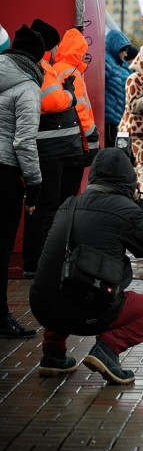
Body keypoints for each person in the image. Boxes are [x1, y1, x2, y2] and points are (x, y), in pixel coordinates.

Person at [29, 148, 143, 383]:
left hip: (43, 307)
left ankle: (53, 353)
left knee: (65, 276)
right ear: (127, 177)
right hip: (90, 310)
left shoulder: (69, 204)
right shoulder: (127, 210)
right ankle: (107, 349)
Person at [22, 19, 82, 278]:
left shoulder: (44, 67)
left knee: (46, 205)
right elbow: (52, 101)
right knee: (46, 206)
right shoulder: (43, 67)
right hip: (50, 150)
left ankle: (38, 260)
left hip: (53, 148)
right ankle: (36, 263)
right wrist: (70, 95)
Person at [0, 25, 45, 338]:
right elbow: (24, 142)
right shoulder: (28, 87)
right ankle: (1, 319)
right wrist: (34, 185)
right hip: (3, 175)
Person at [53, 28, 101, 195]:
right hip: (76, 141)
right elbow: (80, 107)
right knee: (69, 190)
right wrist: (91, 134)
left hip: (60, 141)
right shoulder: (72, 72)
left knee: (56, 192)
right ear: (78, 50)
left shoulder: (56, 68)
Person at [103, 30, 136, 150]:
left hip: (120, 120)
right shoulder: (107, 61)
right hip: (111, 121)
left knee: (121, 154)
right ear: (116, 48)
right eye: (123, 50)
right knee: (114, 154)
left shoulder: (119, 64)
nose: (125, 54)